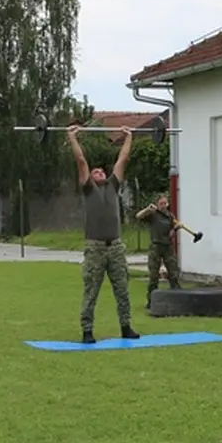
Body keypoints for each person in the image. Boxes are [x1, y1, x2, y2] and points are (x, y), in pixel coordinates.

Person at [70, 123, 140, 343]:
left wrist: (128, 136)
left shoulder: (113, 186)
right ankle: (87, 331)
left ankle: (126, 327)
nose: (99, 172)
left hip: (116, 247)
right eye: (96, 172)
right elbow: (81, 161)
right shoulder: (88, 188)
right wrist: (73, 137)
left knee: (122, 289)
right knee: (91, 290)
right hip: (95, 248)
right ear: (90, 177)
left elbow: (123, 159)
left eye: (102, 171)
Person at [135, 193, 183, 307]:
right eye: (161, 203)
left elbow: (170, 235)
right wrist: (148, 209)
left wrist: (175, 229)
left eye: (165, 203)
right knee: (153, 275)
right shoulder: (153, 214)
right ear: (157, 204)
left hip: (167, 246)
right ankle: (152, 301)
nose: (163, 205)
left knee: (174, 273)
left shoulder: (170, 216)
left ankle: (178, 299)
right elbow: (138, 216)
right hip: (155, 246)